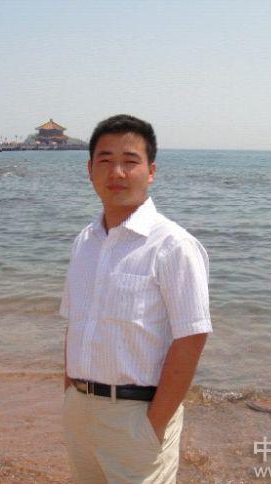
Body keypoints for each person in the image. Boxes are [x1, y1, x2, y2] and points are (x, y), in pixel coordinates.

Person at [60, 114, 212, 483]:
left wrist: (154, 423)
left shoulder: (173, 245)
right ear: (90, 170)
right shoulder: (85, 241)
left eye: (130, 161)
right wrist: (70, 396)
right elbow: (75, 323)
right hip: (80, 411)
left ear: (151, 171)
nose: (117, 172)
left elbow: (191, 338)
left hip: (137, 416)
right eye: (105, 160)